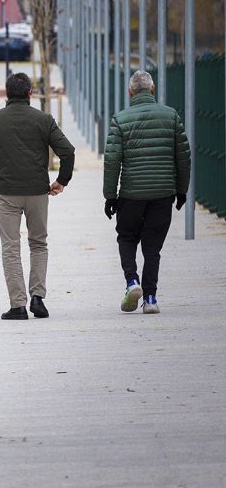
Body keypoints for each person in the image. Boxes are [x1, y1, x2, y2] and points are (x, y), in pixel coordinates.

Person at [0, 72, 76, 321]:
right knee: (39, 243)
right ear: (30, 93)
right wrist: (61, 181)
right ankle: (38, 298)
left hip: (6, 193)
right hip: (37, 192)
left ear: (7, 94)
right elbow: (67, 151)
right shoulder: (44, 120)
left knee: (11, 248)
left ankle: (18, 305)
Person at [103, 70, 190, 314]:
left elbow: (112, 160)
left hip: (131, 194)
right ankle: (150, 298)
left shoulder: (120, 119)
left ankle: (132, 281)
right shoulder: (171, 116)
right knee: (152, 248)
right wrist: (181, 190)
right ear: (152, 90)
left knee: (127, 237)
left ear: (130, 92)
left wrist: (110, 195)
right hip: (163, 193)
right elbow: (183, 157)